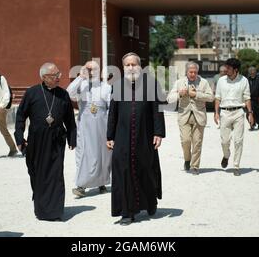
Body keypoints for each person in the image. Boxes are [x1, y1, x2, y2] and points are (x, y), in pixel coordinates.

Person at [107, 52, 166, 225]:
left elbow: (158, 110)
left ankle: (150, 202)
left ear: (140, 66)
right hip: (123, 137)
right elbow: (113, 112)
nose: (131, 68)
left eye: (134, 64)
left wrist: (158, 133)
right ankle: (127, 212)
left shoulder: (151, 84)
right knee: (123, 172)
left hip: (145, 137)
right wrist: (109, 135)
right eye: (127, 65)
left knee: (146, 170)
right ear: (123, 67)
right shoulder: (117, 85)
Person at [14, 62, 76, 221]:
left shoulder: (63, 94)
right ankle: (41, 209)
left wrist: (72, 137)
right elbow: (21, 116)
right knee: (37, 173)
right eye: (55, 75)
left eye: (58, 74)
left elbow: (69, 119)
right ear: (44, 77)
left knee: (55, 175)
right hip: (37, 141)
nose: (58, 78)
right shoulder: (32, 93)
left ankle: (55, 212)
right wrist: (20, 138)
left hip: (56, 140)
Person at [66, 60, 112, 197]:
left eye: (93, 69)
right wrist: (80, 76)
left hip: (101, 127)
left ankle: (101, 182)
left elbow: (110, 108)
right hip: (84, 127)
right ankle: (81, 186)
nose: (91, 72)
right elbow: (69, 93)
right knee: (84, 154)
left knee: (102, 154)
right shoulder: (82, 85)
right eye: (88, 69)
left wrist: (110, 127)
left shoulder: (106, 87)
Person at [167, 61, 214, 174]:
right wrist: (180, 94)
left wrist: (196, 94)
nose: (193, 74)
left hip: (199, 116)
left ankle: (195, 166)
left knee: (197, 142)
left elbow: (211, 97)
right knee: (185, 141)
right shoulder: (179, 83)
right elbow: (169, 99)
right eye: (190, 72)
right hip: (184, 116)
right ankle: (187, 159)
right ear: (186, 72)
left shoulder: (204, 82)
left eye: (195, 72)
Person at [214, 58, 254, 176]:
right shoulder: (221, 81)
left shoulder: (244, 80)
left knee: (238, 141)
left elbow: (247, 98)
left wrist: (250, 113)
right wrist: (216, 112)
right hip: (224, 113)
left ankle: (236, 166)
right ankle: (226, 155)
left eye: (229, 68)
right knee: (224, 141)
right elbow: (217, 97)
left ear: (236, 70)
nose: (226, 69)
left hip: (238, 112)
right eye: (226, 67)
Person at [247, 66, 259, 130]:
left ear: (255, 72)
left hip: (258, 98)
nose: (252, 73)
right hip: (250, 99)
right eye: (250, 72)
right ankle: (252, 124)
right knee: (249, 112)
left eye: (253, 72)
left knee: (258, 112)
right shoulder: (247, 79)